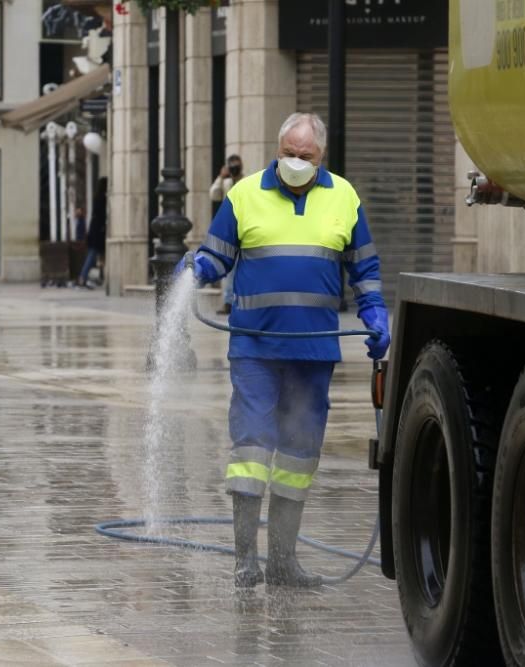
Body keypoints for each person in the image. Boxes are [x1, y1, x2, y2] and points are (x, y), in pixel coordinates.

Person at [182, 113, 390, 588]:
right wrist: (195, 269)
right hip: (255, 348)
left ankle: (282, 561)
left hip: (313, 353)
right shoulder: (244, 195)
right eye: (289, 155)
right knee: (251, 447)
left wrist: (375, 312)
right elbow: (218, 255)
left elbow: (364, 267)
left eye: (306, 157)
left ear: (321, 158)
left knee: (299, 453)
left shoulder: (345, 197)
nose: (296, 163)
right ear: (278, 150)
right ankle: (244, 561)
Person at [209, 155, 245, 315]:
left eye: (236, 166)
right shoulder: (226, 183)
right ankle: (228, 301)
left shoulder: (247, 181)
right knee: (230, 268)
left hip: (245, 227)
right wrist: (220, 177)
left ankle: (237, 300)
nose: (235, 169)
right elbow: (214, 195)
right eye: (232, 166)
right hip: (231, 227)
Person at [79, 178, 107, 288]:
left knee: (98, 257)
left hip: (95, 231)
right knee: (92, 256)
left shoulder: (97, 198)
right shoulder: (102, 199)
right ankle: (83, 277)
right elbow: (102, 216)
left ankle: (99, 276)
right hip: (98, 233)